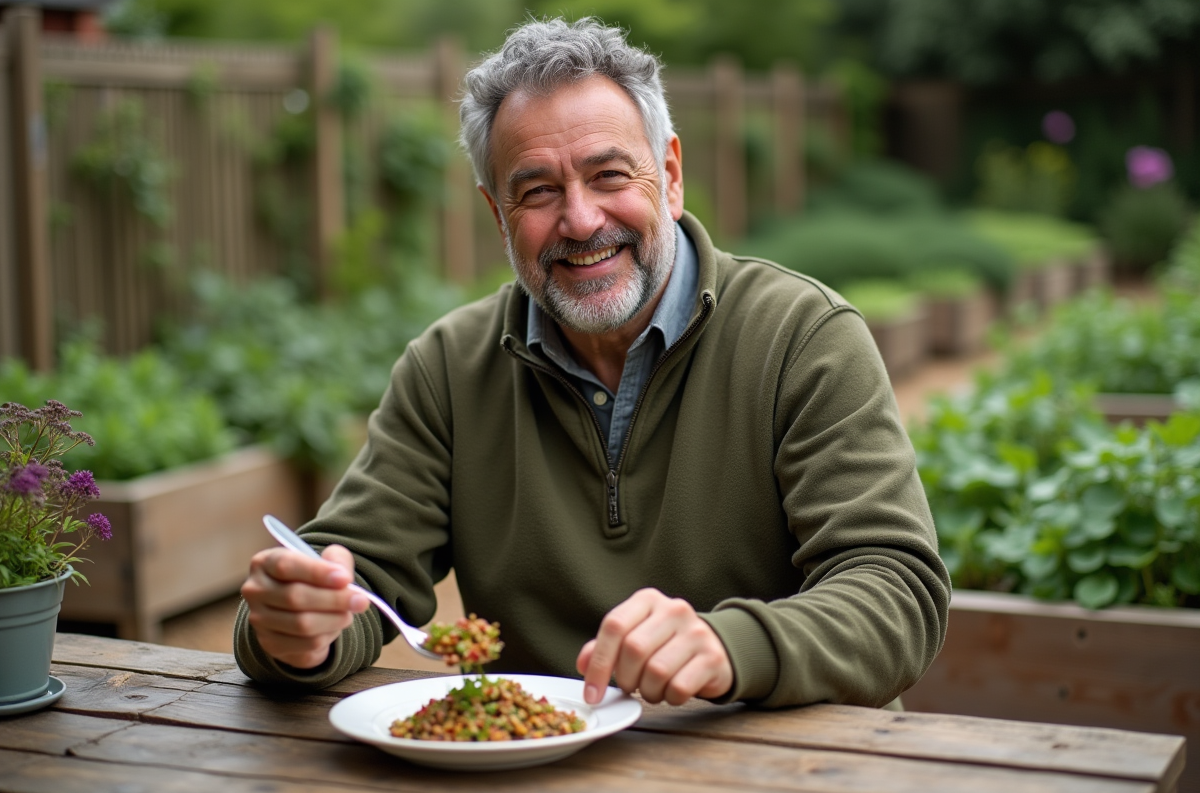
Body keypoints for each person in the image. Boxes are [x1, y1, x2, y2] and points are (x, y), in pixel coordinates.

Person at [235, 17, 950, 709]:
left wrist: (732, 648)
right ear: (498, 215)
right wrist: (297, 632)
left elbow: (897, 592)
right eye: (539, 190)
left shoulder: (803, 338)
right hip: (539, 776)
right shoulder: (449, 370)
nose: (579, 221)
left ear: (669, 176)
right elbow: (352, 577)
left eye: (609, 175)